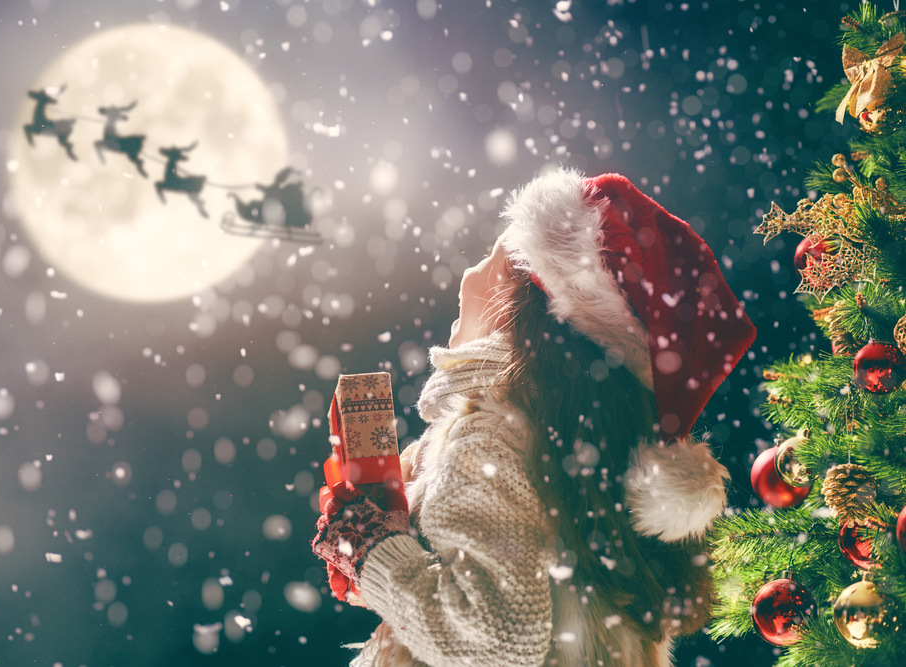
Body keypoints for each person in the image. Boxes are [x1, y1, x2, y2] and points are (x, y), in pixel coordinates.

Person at [312, 170, 757, 667]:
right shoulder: (576, 449)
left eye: (497, 257)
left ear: (525, 308)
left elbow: (493, 638)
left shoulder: (493, 434)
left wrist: (376, 550)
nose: (468, 276)